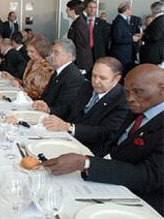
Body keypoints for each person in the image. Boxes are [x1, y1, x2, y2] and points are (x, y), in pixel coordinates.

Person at [42, 64, 164, 216]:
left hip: (142, 201)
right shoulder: (140, 107)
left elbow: (149, 176)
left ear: (162, 89)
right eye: (127, 92)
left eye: (138, 92)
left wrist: (87, 163)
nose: (130, 98)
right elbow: (115, 145)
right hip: (107, 180)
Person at [43, 57, 128, 157]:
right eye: (94, 76)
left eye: (102, 78)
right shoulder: (86, 86)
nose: (96, 81)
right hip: (66, 139)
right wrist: (48, 109)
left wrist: (69, 128)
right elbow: (70, 110)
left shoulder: (122, 101)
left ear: (117, 79)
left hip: (88, 151)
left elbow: (104, 133)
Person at [33, 38, 85, 118]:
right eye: (52, 52)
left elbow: (64, 109)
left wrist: (47, 109)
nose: (51, 56)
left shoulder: (73, 77)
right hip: (46, 114)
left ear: (68, 56)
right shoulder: (59, 71)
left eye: (56, 53)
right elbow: (46, 96)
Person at [4, 34, 53, 100]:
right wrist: (12, 78)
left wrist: (22, 89)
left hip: (35, 103)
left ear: (41, 50)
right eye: (28, 51)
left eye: (32, 51)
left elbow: (41, 94)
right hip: (24, 98)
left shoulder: (47, 68)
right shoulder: (30, 62)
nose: (28, 54)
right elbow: (26, 84)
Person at [109, 2, 140, 76]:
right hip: (121, 55)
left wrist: (134, 36)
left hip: (124, 54)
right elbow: (117, 39)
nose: (131, 11)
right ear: (127, 10)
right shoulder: (119, 21)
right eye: (130, 9)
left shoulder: (123, 20)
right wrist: (132, 38)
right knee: (122, 74)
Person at [66, 0, 93, 74]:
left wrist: (80, 66)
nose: (66, 11)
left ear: (73, 10)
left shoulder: (80, 24)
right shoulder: (77, 22)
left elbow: (81, 46)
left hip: (81, 61)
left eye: (67, 9)